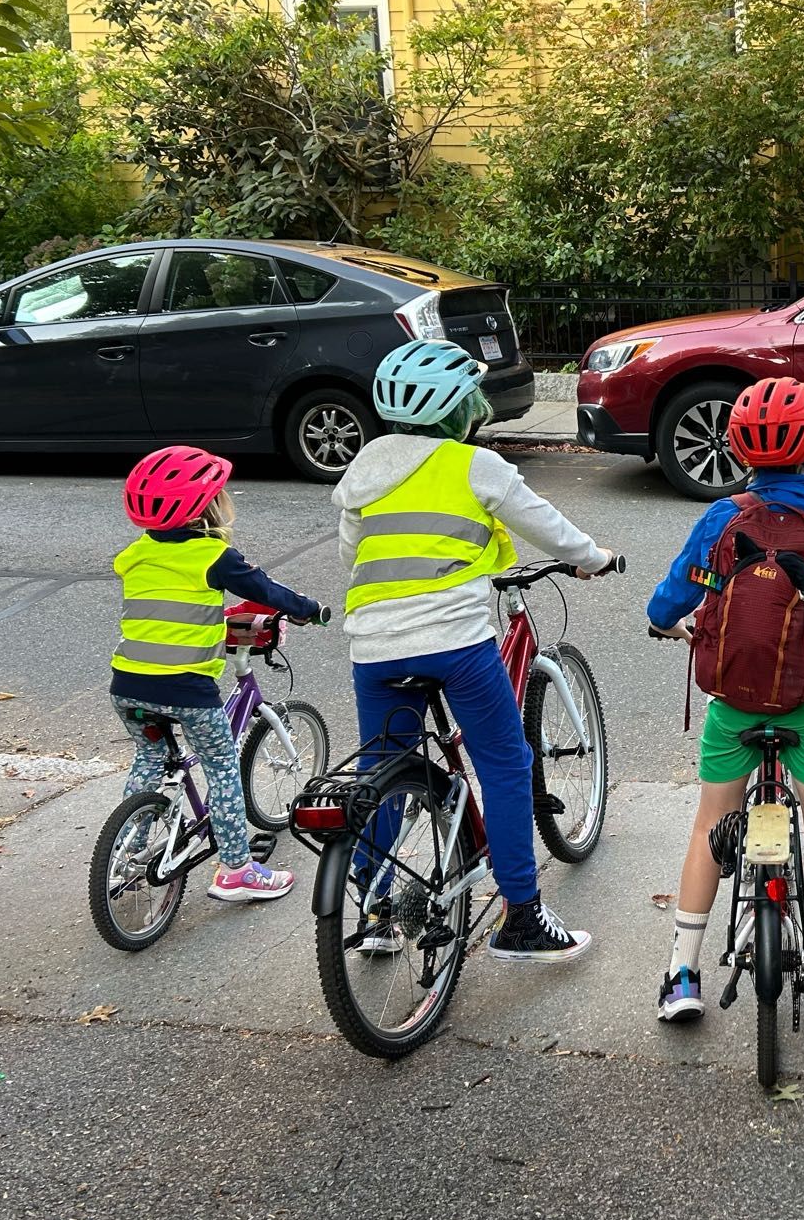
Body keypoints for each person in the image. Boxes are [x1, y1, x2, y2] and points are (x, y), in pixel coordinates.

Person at [335, 339, 618, 962]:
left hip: (374, 643)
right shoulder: (474, 464)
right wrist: (593, 559)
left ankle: (375, 907)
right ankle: (521, 917)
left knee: (380, 769)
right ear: (456, 407)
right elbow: (547, 526)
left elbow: (352, 554)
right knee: (506, 764)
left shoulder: (364, 467)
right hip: (454, 642)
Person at [647, 377, 804, 1025]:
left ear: (737, 448)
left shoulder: (721, 519)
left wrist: (678, 622)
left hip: (732, 703)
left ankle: (681, 976)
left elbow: (665, 604)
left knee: (708, 828)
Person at [111, 446, 324, 902]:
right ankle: (237, 871)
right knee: (222, 767)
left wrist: (214, 618)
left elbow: (171, 605)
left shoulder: (134, 554)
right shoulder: (214, 555)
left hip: (127, 683)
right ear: (205, 508)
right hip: (185, 687)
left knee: (149, 759)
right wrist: (309, 610)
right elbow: (267, 589)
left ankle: (125, 849)